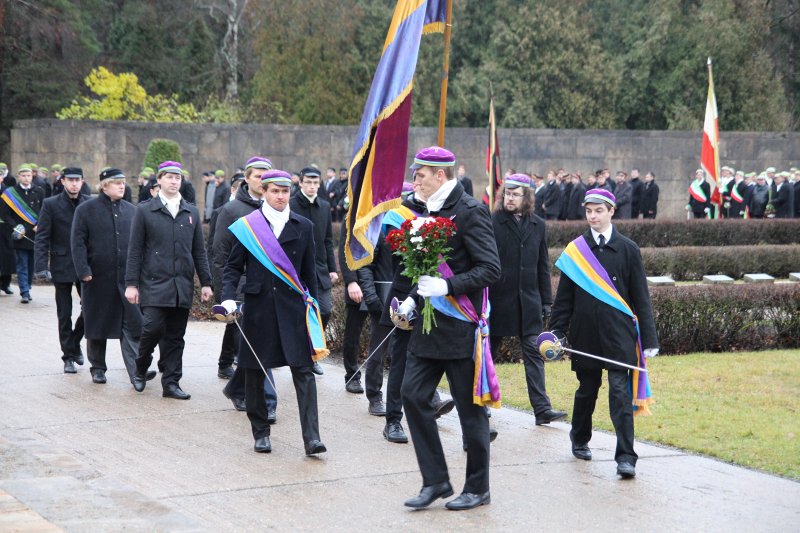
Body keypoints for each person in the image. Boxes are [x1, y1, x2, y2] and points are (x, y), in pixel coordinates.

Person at [392, 146, 500, 511]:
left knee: (471, 412)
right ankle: (436, 480)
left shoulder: (470, 211)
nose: (415, 179)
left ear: (441, 175)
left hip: (459, 325)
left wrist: (448, 287)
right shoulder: (424, 210)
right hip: (427, 326)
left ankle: (477, 487)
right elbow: (423, 266)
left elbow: (490, 268)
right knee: (411, 395)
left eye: (420, 173)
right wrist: (410, 298)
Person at [548, 188, 658, 479]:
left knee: (621, 394)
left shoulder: (629, 249)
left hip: (619, 335)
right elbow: (564, 301)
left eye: (599, 210)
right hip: (586, 336)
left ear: (611, 211)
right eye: (589, 211)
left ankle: (626, 457)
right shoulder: (575, 251)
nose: (593, 216)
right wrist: (555, 333)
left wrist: (649, 339)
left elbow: (641, 298)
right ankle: (580, 437)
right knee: (587, 390)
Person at [220, 169, 327, 455]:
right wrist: (229, 297)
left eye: (285, 191)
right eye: (275, 191)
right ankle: (261, 432)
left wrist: (313, 308)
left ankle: (312, 438)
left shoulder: (303, 226)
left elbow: (308, 274)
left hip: (293, 311)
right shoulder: (248, 226)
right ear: (264, 192)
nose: (280, 196)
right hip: (259, 310)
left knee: (304, 372)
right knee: (255, 373)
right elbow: (232, 268)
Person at [125, 161, 213, 399]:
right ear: (160, 180)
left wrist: (206, 282)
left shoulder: (191, 211)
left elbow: (199, 252)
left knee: (175, 336)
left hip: (181, 285)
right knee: (152, 328)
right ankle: (140, 367)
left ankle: (171, 383)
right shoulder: (144, 211)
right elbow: (135, 251)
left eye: (178, 178)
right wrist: (131, 284)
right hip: (154, 283)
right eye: (169, 177)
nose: (174, 182)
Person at [489, 174, 566, 425]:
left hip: (529, 302)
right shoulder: (492, 221)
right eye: (507, 193)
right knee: (486, 355)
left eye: (515, 194)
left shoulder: (538, 225)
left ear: (527, 198)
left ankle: (542, 409)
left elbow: (542, 265)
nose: (509, 198)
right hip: (497, 301)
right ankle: (479, 403)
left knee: (534, 355)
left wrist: (546, 301)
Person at [72, 168, 157, 385]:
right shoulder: (85, 210)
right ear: (104, 186)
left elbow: (141, 245)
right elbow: (78, 243)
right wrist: (84, 271)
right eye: (116, 183)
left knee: (132, 325)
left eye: (123, 182)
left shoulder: (132, 210)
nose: (122, 186)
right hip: (97, 279)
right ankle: (98, 368)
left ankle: (137, 370)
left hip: (127, 281)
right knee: (97, 324)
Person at [212, 157, 276, 420]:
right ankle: (268, 400)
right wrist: (226, 295)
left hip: (270, 289)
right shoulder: (232, 210)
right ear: (246, 178)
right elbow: (221, 254)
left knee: (255, 345)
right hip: (241, 289)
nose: (262, 180)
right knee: (257, 345)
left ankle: (236, 387)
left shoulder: (276, 207)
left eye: (266, 176)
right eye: (257, 175)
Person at [33, 167, 89, 373]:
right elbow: (42, 237)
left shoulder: (88, 203)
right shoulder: (51, 204)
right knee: (64, 313)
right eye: (70, 180)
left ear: (82, 182)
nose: (74, 184)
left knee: (89, 309)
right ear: (63, 181)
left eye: (78, 180)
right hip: (61, 264)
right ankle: (68, 356)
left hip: (85, 265)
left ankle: (74, 343)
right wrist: (40, 267)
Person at [290, 167, 338, 375]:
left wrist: (332, 269)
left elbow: (328, 240)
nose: (311, 186)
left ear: (320, 184)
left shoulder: (324, 207)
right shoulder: (290, 204)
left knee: (325, 310)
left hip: (319, 270)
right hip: (296, 270)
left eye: (315, 182)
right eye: (307, 182)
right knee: (297, 314)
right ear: (300, 183)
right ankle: (299, 355)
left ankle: (311, 352)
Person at [0, 164, 44, 303]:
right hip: (19, 234)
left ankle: (28, 287)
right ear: (18, 177)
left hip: (35, 233)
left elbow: (44, 210)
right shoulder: (11, 193)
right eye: (23, 176)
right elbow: (5, 214)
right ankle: (24, 291)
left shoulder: (39, 191)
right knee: (22, 263)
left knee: (31, 263)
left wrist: (39, 225)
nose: (26, 178)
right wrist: (15, 227)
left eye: (29, 176)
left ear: (32, 176)